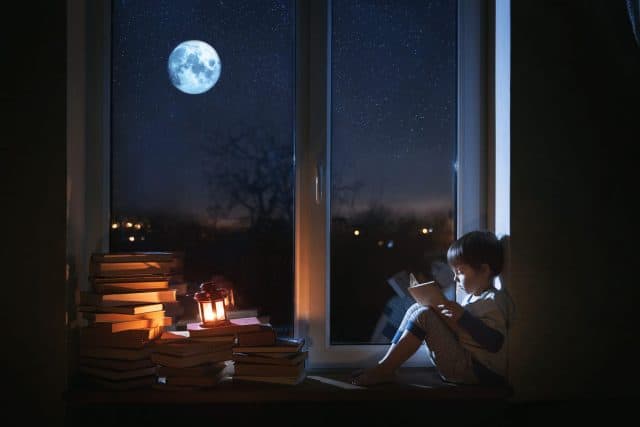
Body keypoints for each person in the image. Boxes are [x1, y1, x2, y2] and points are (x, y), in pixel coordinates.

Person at [351, 230, 514, 386]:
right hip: (468, 365)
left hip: (479, 372)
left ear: (484, 270)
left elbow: (495, 342)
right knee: (417, 308)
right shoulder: (472, 298)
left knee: (424, 316)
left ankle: (384, 370)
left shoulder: (494, 299)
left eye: (460, 271)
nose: (455, 278)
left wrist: (463, 318)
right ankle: (384, 366)